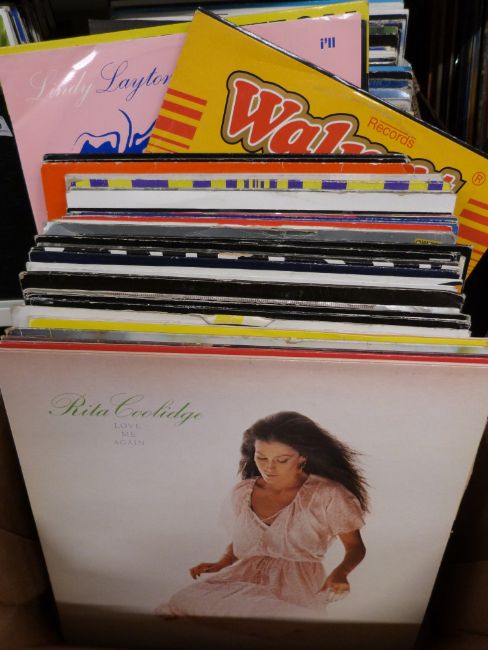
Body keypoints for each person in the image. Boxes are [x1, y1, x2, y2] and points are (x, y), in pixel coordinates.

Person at [159, 411, 368, 619]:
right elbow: (242, 539)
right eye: (261, 457)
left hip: (295, 587)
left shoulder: (328, 495)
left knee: (269, 614)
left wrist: (341, 573)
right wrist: (222, 563)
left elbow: (355, 547)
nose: (268, 467)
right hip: (240, 579)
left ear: (303, 456)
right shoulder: (243, 492)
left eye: (282, 460)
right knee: (182, 598)